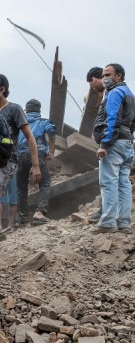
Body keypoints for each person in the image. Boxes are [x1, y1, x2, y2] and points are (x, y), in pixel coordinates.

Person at [0, 73, 41, 248]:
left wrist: (36, 165)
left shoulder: (14, 109)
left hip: (7, 162)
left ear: (2, 89)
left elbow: (29, 137)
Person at [92, 63, 135, 233]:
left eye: (108, 74)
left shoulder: (115, 92)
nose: (104, 78)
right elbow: (132, 123)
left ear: (119, 76)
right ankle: (124, 223)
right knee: (124, 183)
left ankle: (108, 222)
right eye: (103, 75)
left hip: (114, 144)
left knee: (109, 182)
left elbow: (112, 119)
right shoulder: (129, 93)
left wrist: (105, 144)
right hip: (127, 143)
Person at [18, 99, 56, 225]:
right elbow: (52, 132)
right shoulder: (43, 122)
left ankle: (24, 219)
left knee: (21, 188)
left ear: (26, 110)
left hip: (21, 156)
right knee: (44, 183)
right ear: (39, 110)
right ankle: (39, 213)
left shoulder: (20, 123)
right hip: (38, 155)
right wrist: (51, 151)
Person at [86, 67, 105, 224]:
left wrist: (104, 144)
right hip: (118, 140)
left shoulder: (111, 95)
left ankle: (105, 212)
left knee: (107, 180)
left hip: (109, 143)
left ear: (93, 79)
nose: (92, 87)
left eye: (91, 84)